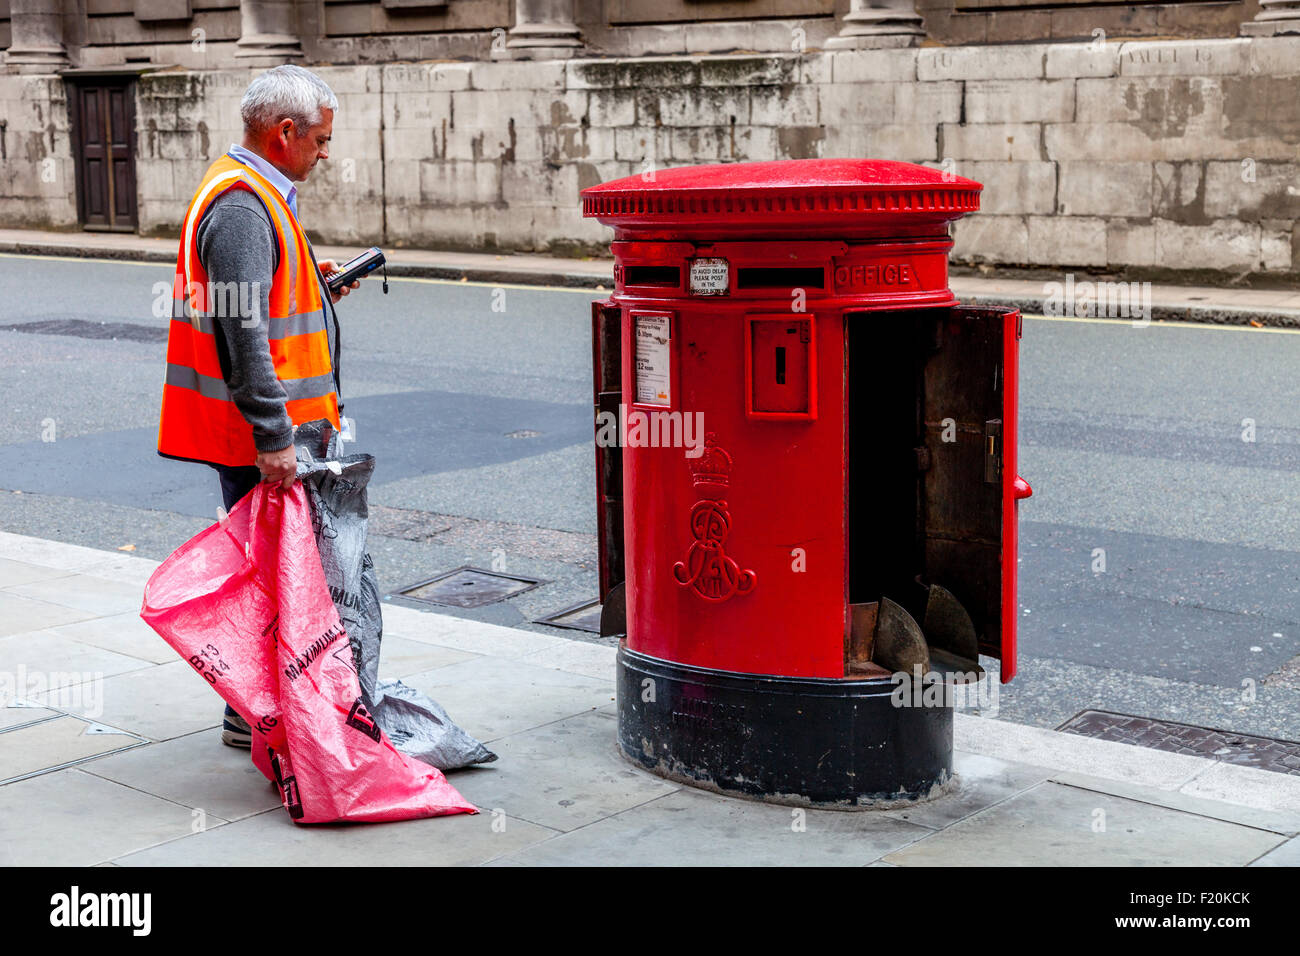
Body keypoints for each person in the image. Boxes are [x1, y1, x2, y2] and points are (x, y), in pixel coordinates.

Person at [156, 65, 359, 748]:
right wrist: (274, 437)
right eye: (321, 140)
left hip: (269, 433)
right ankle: (253, 715)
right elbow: (243, 336)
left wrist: (316, 285)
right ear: (284, 132)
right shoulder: (242, 207)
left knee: (276, 577)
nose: (325, 154)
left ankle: (259, 711)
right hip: (262, 441)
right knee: (273, 581)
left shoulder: (253, 192)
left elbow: (259, 303)